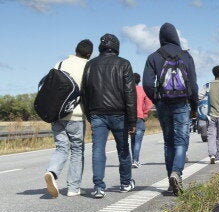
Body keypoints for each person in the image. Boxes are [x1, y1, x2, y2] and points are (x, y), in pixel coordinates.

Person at [143, 22, 199, 195]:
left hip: (163, 104)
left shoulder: (154, 56)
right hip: (182, 103)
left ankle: (170, 180)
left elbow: (146, 83)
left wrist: (157, 99)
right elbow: (194, 85)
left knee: (169, 142)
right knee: (181, 141)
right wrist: (194, 106)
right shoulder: (186, 56)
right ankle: (177, 172)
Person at [82, 34, 136, 199]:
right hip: (119, 114)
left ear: (101, 47)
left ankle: (98, 187)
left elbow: (84, 93)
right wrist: (132, 120)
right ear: (117, 47)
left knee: (98, 150)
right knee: (123, 149)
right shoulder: (124, 64)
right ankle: (125, 183)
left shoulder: (90, 65)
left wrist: (89, 115)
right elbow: (130, 94)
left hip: (97, 114)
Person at [44, 39, 93, 198]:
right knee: (77, 150)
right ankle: (73, 188)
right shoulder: (88, 67)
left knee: (61, 148)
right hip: (76, 115)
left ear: (76, 50)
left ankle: (52, 172)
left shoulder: (59, 64)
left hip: (57, 115)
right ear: (89, 54)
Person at [198, 65, 219, 164]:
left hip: (210, 115)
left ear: (213, 74)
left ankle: (212, 154)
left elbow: (199, 96)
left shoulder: (208, 85)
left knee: (211, 135)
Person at [131, 73, 153, 168]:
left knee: (132, 140)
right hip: (139, 117)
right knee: (138, 140)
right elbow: (149, 103)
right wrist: (145, 113)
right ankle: (136, 160)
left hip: (129, 118)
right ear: (139, 81)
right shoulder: (142, 90)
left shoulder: (126, 90)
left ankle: (134, 160)